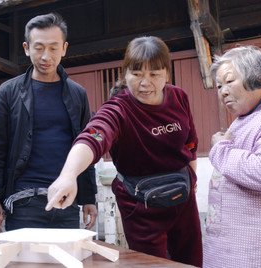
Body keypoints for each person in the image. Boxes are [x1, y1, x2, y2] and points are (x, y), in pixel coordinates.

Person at [46, 36, 203, 267]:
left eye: (154, 74)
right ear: (125, 73)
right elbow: (94, 136)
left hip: (183, 197)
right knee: (152, 264)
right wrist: (69, 174)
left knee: (191, 260)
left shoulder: (179, 97)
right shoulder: (119, 109)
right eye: (137, 74)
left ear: (166, 75)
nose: (145, 83)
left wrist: (192, 178)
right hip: (141, 206)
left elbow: (190, 143)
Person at [0, 13, 97, 232]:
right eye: (39, 47)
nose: (46, 56)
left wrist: (89, 197)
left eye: (53, 48)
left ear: (64, 48)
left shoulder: (77, 94)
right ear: (26, 48)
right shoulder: (8, 92)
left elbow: (86, 146)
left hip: (66, 198)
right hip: (23, 200)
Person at [203, 46, 261, 267]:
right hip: (227, 248)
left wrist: (221, 148)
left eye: (229, 81)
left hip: (252, 252)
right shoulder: (245, 118)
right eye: (219, 86)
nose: (223, 91)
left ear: (258, 78)